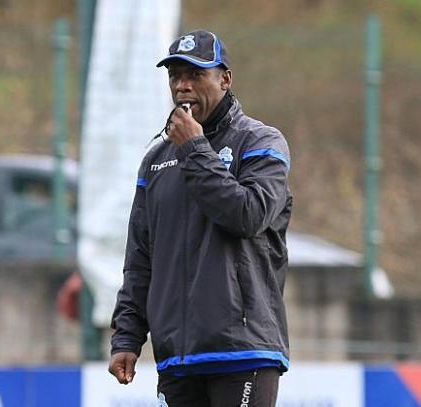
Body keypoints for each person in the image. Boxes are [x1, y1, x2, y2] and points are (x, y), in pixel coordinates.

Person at [108, 29, 292, 406]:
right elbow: (140, 258)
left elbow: (248, 215)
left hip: (242, 352)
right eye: (176, 76)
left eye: (195, 75)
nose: (182, 86)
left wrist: (194, 147)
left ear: (224, 79)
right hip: (177, 358)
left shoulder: (260, 143)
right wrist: (127, 336)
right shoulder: (156, 160)